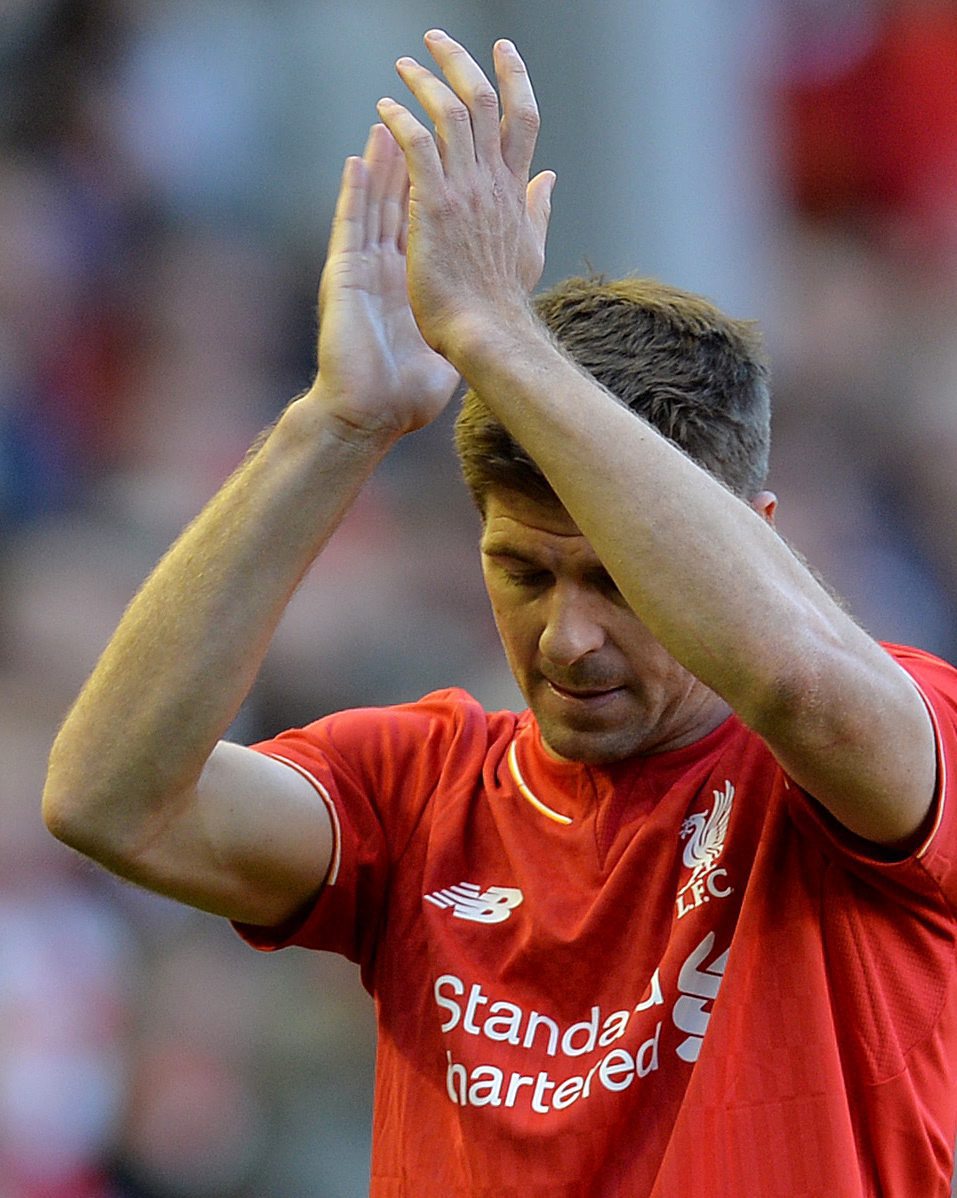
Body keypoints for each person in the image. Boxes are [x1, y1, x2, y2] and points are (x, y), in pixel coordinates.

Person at [42, 29, 957, 1198]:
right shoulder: (418, 790)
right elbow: (108, 800)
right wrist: (339, 421)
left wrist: (493, 331)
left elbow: (801, 687)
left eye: (620, 582)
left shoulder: (881, 753)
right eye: (525, 572)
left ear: (754, 535)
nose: (568, 640)